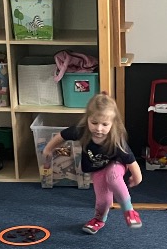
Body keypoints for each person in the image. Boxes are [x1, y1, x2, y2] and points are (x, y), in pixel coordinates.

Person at [43, 92, 144, 235]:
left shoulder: (116, 140)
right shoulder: (81, 130)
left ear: (113, 124)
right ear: (87, 119)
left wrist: (137, 177)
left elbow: (131, 161)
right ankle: (99, 219)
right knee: (103, 200)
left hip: (116, 164)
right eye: (94, 123)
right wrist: (48, 148)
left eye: (105, 124)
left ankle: (130, 211)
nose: (99, 128)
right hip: (97, 168)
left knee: (113, 176)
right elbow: (62, 136)